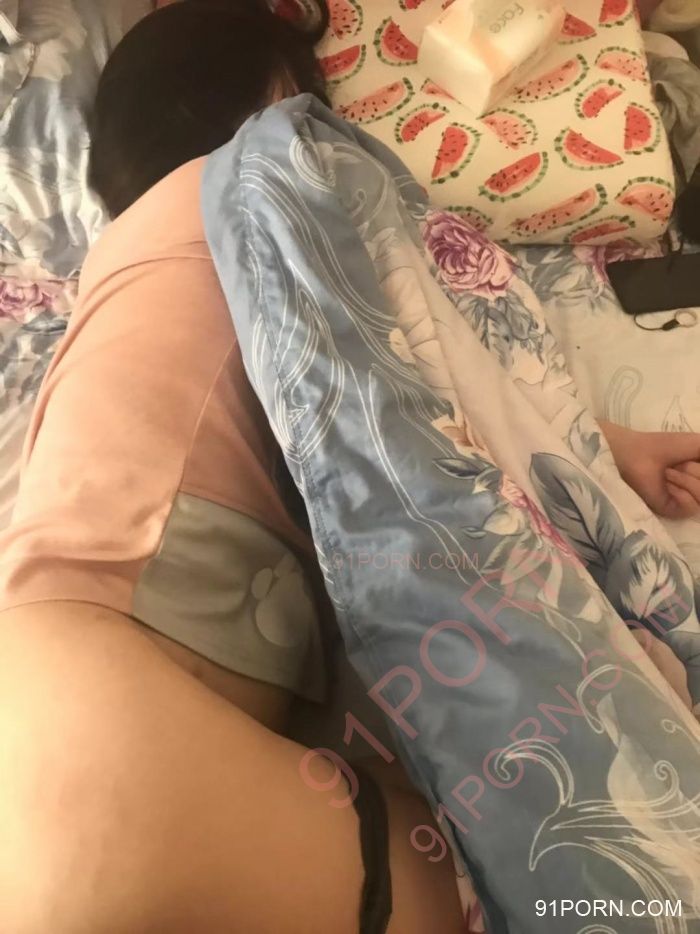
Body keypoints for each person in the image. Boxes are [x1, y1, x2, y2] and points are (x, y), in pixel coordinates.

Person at [0, 2, 699, 931]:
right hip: (108, 736)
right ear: (273, 99)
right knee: (584, 865)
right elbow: (444, 372)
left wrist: (614, 447)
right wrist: (599, 455)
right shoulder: (264, 177)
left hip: (54, 705)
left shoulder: (115, 271)